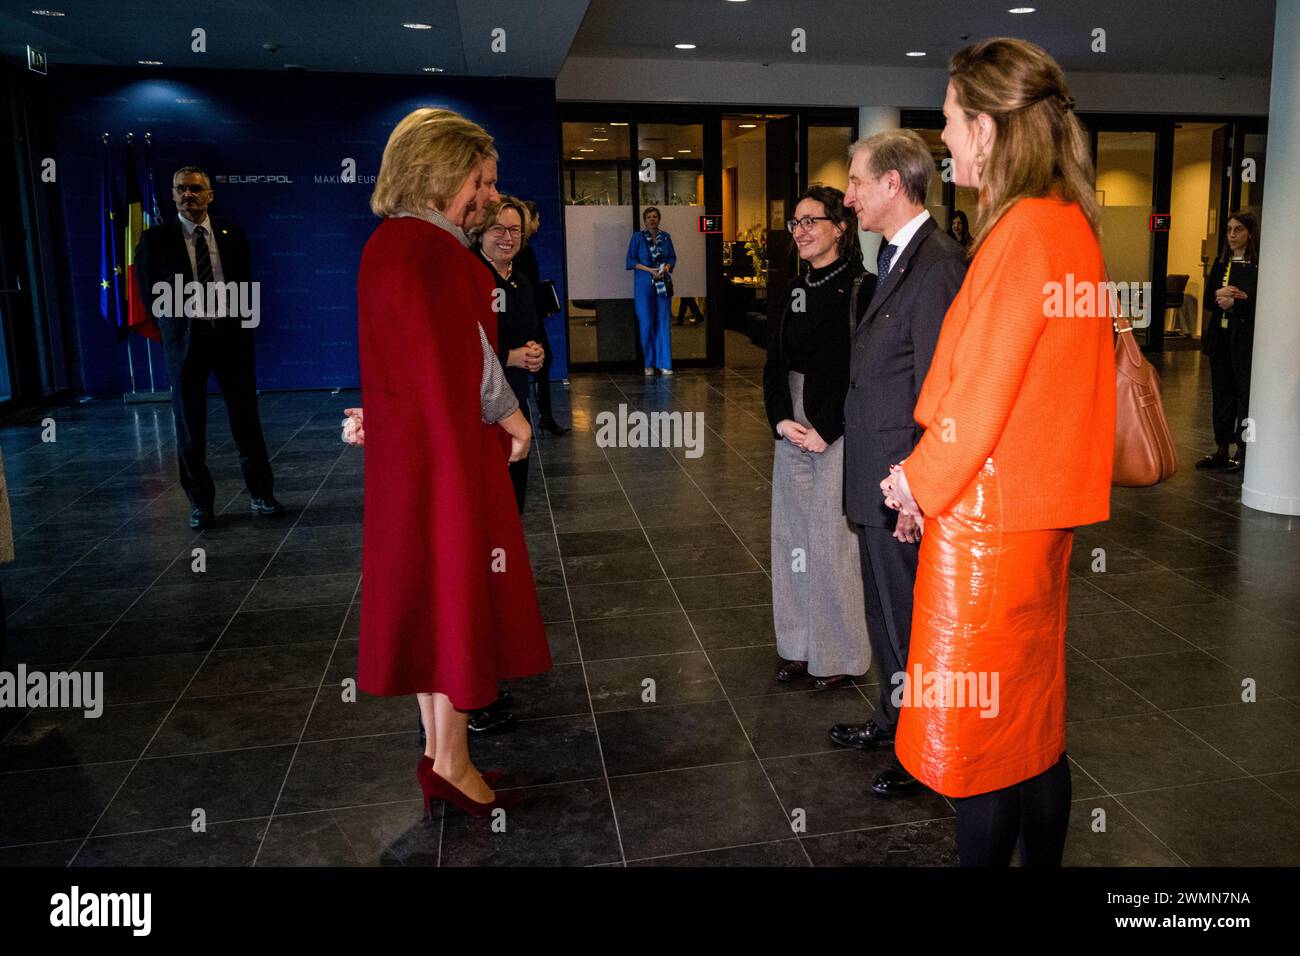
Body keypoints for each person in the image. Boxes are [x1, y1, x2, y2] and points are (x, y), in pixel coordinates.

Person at [880, 38, 1115, 867]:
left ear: (986, 127)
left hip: (989, 526)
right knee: (1031, 723)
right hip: (1041, 518)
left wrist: (914, 485)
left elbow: (980, 398)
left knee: (979, 743)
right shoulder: (1070, 226)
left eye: (948, 121)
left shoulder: (1019, 235)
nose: (943, 140)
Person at [357, 107, 552, 818]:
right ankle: (454, 758)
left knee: (429, 602)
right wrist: (515, 419)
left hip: (412, 465)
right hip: (451, 464)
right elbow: (470, 361)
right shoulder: (437, 253)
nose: (491, 198)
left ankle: (443, 754)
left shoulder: (385, 245)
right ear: (444, 173)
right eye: (482, 181)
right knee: (461, 601)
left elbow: (412, 363)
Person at [830, 129, 968, 798]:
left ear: (893, 183)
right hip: (876, 475)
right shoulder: (891, 256)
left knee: (913, 618)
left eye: (857, 181)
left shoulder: (938, 264)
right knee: (885, 613)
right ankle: (893, 716)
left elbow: (942, 391)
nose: (848, 195)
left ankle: (925, 747)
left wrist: (915, 487)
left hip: (903, 482)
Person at [763, 186, 873, 691]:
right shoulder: (791, 286)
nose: (801, 231)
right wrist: (782, 419)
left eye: (812, 221)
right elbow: (774, 361)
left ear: (840, 228)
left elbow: (860, 369)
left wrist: (826, 429)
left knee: (831, 544)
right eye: (796, 222)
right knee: (791, 540)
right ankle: (800, 647)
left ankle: (842, 655)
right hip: (793, 419)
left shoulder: (861, 287)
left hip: (837, 424)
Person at [134, 166, 281, 530]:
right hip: (186, 343)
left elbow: (243, 282)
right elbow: (148, 292)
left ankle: (262, 494)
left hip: (230, 341)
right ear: (172, 195)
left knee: (246, 422)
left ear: (209, 195)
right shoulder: (156, 240)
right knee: (189, 427)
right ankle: (201, 504)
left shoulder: (232, 234)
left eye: (196, 189)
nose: (189, 195)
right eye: (181, 189)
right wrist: (177, 323)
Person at [471, 196, 545, 511]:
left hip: (516, 399)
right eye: (498, 229)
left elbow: (530, 331)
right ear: (480, 233)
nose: (507, 238)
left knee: (514, 495)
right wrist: (508, 356)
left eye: (515, 231)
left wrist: (534, 351)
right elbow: (461, 343)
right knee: (484, 496)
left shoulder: (522, 281)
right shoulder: (468, 275)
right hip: (479, 408)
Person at [1196, 211, 1259, 474]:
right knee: (1221, 395)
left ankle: (1243, 449)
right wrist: (1219, 295)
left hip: (1243, 339)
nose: (1232, 235)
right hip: (1220, 338)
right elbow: (1210, 300)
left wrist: (1237, 303)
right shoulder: (1222, 264)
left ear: (1250, 234)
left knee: (1245, 396)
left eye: (1239, 230)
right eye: (1229, 230)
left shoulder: (1257, 266)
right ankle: (1221, 447)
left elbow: (1257, 302)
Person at [515, 200, 570, 435]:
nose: (540, 223)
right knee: (540, 363)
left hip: (530, 315)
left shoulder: (523, 248)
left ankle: (544, 417)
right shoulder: (522, 249)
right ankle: (544, 417)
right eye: (537, 218)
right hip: (529, 318)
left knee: (540, 364)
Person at [627, 206, 675, 375]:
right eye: (649, 217)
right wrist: (649, 270)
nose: (652, 219)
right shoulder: (637, 238)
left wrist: (667, 267)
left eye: (655, 216)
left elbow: (672, 258)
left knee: (663, 322)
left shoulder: (666, 237)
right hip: (643, 284)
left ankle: (664, 363)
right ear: (644, 220)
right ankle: (649, 363)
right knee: (646, 323)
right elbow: (631, 261)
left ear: (659, 219)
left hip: (663, 283)